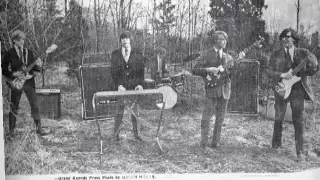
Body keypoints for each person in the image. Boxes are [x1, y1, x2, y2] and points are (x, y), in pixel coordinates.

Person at [267, 28, 318, 160]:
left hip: (297, 90)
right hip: (281, 88)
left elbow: (311, 71)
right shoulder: (275, 54)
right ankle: (276, 146)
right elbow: (269, 72)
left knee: (298, 120)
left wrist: (313, 65)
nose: (285, 39)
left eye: (288, 37)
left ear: (294, 39)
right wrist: (282, 75)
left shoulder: (304, 52)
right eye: (283, 37)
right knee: (278, 118)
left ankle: (299, 151)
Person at [192, 31, 245, 149]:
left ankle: (215, 143)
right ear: (215, 41)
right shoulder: (206, 55)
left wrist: (238, 62)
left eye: (225, 39)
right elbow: (195, 70)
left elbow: (233, 74)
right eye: (221, 39)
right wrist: (209, 69)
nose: (224, 41)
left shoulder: (229, 57)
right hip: (211, 90)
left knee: (220, 118)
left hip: (225, 90)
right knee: (206, 117)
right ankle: (203, 143)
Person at [2, 30, 48, 139]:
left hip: (29, 83)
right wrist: (14, 75)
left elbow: (36, 68)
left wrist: (34, 72)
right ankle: (11, 131)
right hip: (16, 84)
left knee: (35, 105)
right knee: (14, 106)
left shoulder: (29, 52)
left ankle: (38, 128)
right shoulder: (9, 53)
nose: (22, 41)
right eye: (19, 39)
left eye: (23, 39)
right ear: (14, 41)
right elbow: (3, 69)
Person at [110, 32, 146, 142]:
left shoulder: (138, 54)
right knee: (119, 113)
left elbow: (141, 72)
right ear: (120, 41)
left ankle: (137, 135)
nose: (124, 40)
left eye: (126, 38)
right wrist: (119, 85)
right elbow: (113, 72)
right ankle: (115, 136)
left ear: (130, 40)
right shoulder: (115, 54)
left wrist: (140, 84)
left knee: (135, 112)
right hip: (121, 89)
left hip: (134, 88)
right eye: (122, 38)